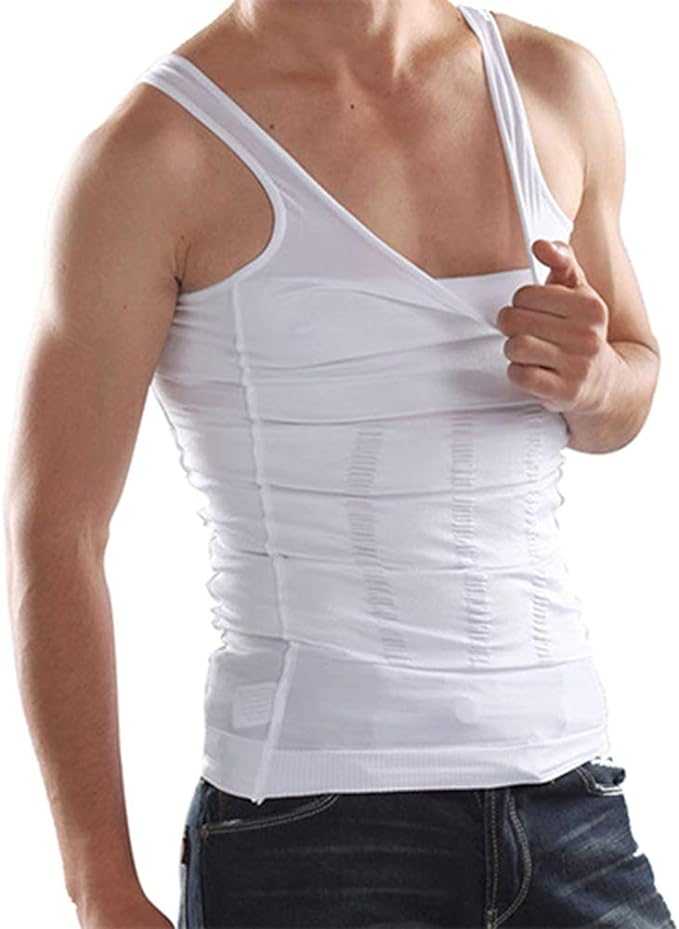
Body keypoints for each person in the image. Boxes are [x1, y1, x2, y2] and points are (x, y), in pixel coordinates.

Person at [4, 1, 674, 927]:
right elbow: (54, 531)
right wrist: (101, 888)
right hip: (308, 826)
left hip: (568, 796)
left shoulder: (553, 83)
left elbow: (628, 388)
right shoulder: (153, 155)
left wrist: (594, 380)